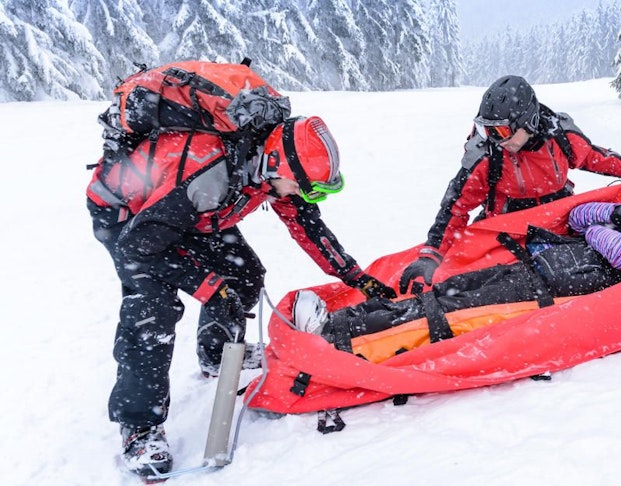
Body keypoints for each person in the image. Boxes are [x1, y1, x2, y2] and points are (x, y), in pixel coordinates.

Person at [86, 115, 396, 477]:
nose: (303, 195)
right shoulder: (213, 175)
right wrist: (210, 287)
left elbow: (309, 227)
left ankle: (216, 354)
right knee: (154, 311)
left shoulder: (268, 170)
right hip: (130, 217)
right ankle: (140, 428)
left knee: (243, 275)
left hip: (187, 209)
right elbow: (139, 247)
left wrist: (355, 276)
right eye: (306, 188)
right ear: (278, 166)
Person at [293, 199, 621, 350]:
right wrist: (613, 211)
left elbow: (619, 253)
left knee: (443, 312)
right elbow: (579, 217)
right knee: (444, 291)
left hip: (541, 292)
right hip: (531, 270)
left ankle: (336, 335)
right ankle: (344, 320)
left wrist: (606, 228)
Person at [398, 75, 621, 295]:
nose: (495, 138)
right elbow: (455, 207)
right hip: (507, 232)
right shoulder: (488, 155)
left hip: (559, 225)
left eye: (501, 131)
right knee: (486, 285)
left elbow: (592, 157)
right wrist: (431, 256)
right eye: (486, 129)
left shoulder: (559, 136)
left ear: (527, 122)